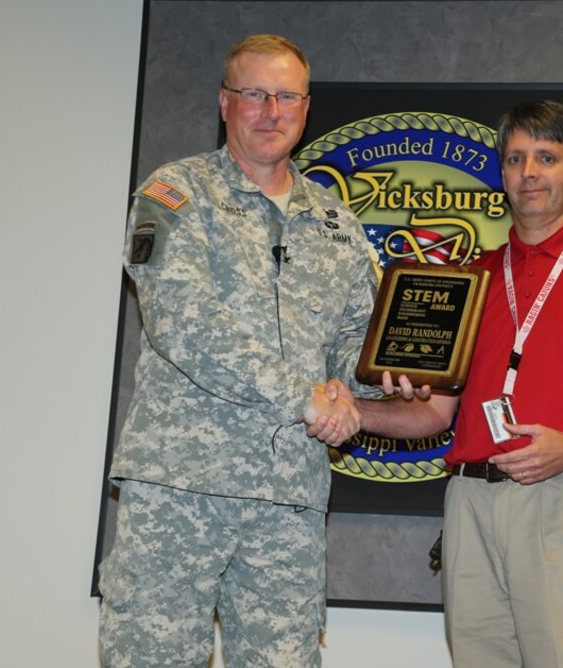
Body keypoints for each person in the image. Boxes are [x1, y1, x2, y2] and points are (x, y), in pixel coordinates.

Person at [356, 100, 563, 667]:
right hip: (470, 502)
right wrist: (358, 411)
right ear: (502, 176)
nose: (529, 172)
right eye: (515, 159)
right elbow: (435, 415)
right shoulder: (468, 279)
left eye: (546, 157)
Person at [98, 34, 376, 667]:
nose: (271, 110)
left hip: (289, 500)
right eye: (254, 94)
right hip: (180, 489)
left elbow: (354, 343)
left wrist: (387, 374)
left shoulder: (335, 222)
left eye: (287, 96)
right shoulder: (174, 194)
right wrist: (303, 396)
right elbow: (182, 320)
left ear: (306, 108)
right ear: (225, 103)